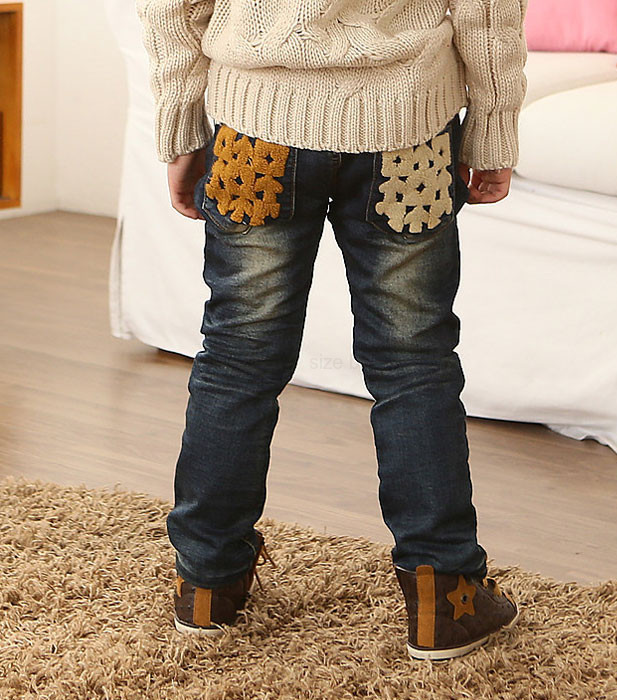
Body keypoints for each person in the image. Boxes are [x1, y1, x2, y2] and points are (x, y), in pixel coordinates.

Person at [136, 0, 528, 661]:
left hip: (254, 135)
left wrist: (182, 125)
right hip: (408, 136)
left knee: (237, 358)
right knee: (414, 363)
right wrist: (493, 129)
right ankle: (446, 595)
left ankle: (208, 581)